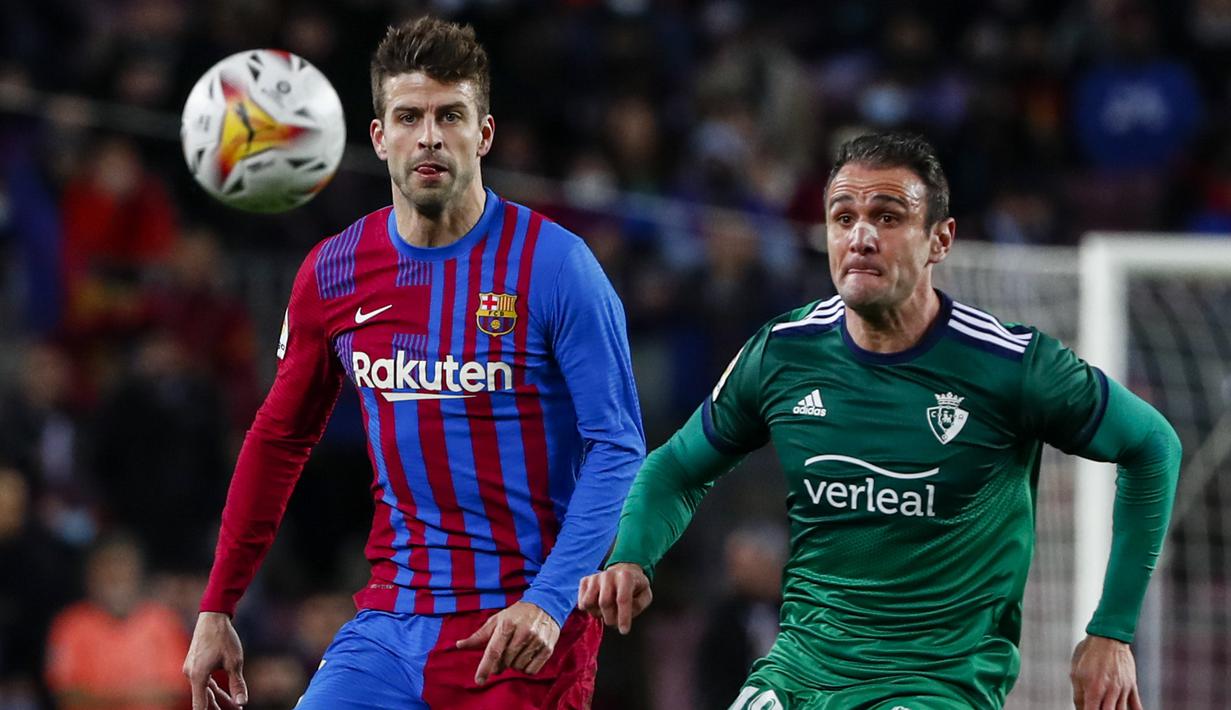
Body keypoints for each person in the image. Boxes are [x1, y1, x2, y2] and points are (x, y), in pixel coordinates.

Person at [579, 132, 1181, 710]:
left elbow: (1153, 445)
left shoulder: (1011, 365)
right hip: (801, 672)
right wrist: (633, 555)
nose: (861, 236)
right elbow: (677, 468)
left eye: (888, 217)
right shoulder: (784, 352)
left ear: (939, 240)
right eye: (844, 218)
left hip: (936, 681)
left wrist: (1112, 631)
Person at [182, 16, 645, 710]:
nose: (429, 134)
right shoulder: (333, 271)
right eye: (408, 116)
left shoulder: (556, 267)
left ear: (482, 135)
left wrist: (550, 602)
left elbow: (617, 446)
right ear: (379, 137)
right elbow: (277, 438)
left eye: (450, 115)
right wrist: (218, 603)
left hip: (519, 635)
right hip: (389, 629)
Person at [46, 533, 190, 710]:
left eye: (123, 566)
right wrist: (138, 695)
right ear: (91, 574)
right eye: (107, 566)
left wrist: (101, 696)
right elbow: (67, 696)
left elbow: (175, 692)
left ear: (139, 572)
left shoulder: (165, 622)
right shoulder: (70, 624)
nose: (116, 574)